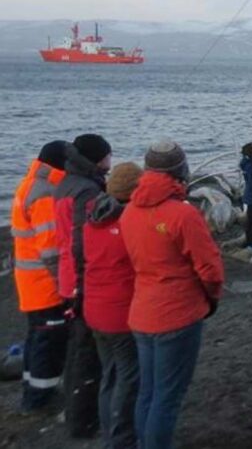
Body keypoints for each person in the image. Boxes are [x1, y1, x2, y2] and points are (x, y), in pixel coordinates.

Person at [121, 140, 223, 449]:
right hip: (177, 315)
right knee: (167, 397)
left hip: (142, 314)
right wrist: (211, 298)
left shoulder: (128, 213)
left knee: (148, 392)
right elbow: (210, 269)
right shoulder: (183, 214)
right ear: (180, 171)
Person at [55, 133, 113, 438]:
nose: (110, 161)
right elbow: (82, 241)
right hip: (82, 279)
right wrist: (82, 286)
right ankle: (82, 421)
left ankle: (75, 411)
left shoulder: (67, 184)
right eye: (107, 155)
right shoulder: (86, 191)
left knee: (78, 350)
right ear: (97, 158)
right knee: (87, 353)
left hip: (68, 275)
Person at [85, 162, 143, 449]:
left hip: (95, 308)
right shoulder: (128, 223)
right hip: (120, 312)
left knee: (109, 375)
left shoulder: (92, 220)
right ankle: (120, 439)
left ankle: (110, 432)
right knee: (128, 377)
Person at [12, 140, 69, 413]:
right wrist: (66, 286)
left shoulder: (29, 184)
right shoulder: (46, 193)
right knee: (49, 342)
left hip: (30, 281)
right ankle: (39, 399)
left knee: (36, 338)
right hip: (45, 285)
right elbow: (51, 250)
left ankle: (32, 389)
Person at [238, 143, 252, 248]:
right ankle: (251, 243)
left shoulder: (247, 164)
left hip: (249, 195)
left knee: (251, 220)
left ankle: (249, 241)